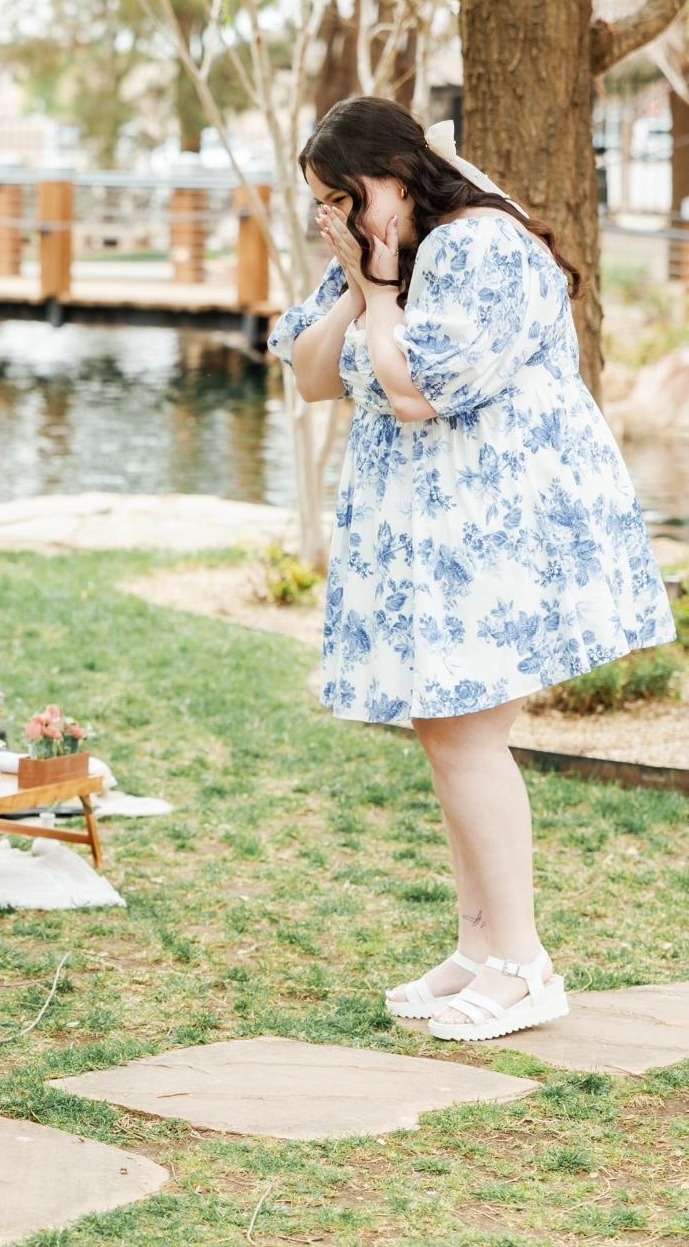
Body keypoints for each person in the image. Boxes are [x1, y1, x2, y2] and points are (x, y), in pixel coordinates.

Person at [269, 97, 675, 1043]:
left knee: (468, 735)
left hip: (499, 523)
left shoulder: (475, 243)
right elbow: (311, 373)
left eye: (342, 197)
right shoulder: (393, 256)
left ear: (391, 177)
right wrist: (359, 281)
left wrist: (378, 301)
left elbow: (418, 391)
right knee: (445, 731)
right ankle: (479, 945)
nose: (331, 216)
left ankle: (524, 964)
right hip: (439, 529)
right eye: (321, 202)